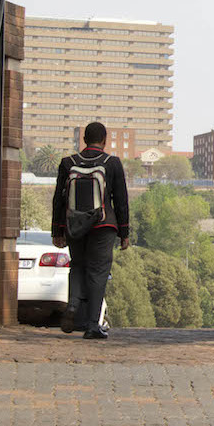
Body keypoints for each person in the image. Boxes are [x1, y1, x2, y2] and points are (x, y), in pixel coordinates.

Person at [51, 122, 130, 340]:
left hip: (74, 225)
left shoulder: (68, 163)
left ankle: (73, 306)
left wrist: (57, 231)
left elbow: (59, 199)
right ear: (104, 140)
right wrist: (124, 233)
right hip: (103, 226)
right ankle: (93, 325)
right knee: (98, 272)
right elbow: (121, 200)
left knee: (77, 266)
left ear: (84, 140)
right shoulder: (112, 163)